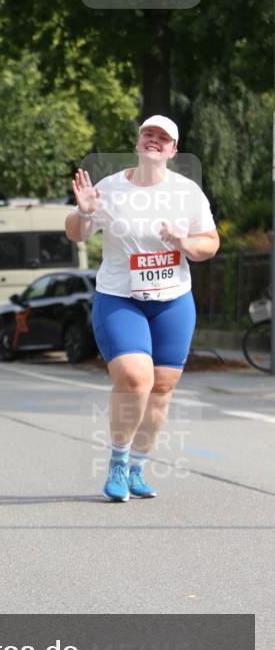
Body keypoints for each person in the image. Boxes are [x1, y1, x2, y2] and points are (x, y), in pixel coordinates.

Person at [66, 115, 219, 502]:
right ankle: (118, 460)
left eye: (162, 138)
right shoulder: (111, 188)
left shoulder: (187, 193)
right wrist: (84, 212)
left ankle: (138, 465)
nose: (154, 141)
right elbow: (76, 232)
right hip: (120, 297)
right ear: (138, 143)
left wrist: (184, 241)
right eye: (148, 134)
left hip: (173, 299)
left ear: (172, 150)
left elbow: (210, 245)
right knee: (136, 379)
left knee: (163, 387)